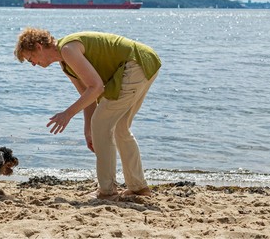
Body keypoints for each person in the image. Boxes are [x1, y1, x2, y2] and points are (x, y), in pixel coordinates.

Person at [14, 28, 161, 198]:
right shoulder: (65, 63)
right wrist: (88, 131)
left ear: (39, 47)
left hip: (135, 63)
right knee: (120, 128)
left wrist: (67, 114)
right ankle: (139, 188)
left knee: (102, 125)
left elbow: (97, 87)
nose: (32, 64)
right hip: (145, 61)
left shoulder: (68, 50)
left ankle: (107, 191)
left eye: (30, 58)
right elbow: (88, 96)